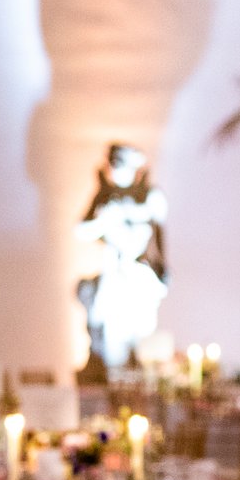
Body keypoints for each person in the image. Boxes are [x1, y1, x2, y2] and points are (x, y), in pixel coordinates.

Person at [75, 142, 168, 372]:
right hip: (114, 274)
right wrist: (103, 220)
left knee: (141, 336)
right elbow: (81, 231)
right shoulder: (106, 197)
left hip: (139, 273)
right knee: (109, 334)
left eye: (119, 164)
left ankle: (136, 373)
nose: (114, 170)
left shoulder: (150, 197)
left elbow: (160, 235)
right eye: (113, 164)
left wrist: (161, 269)